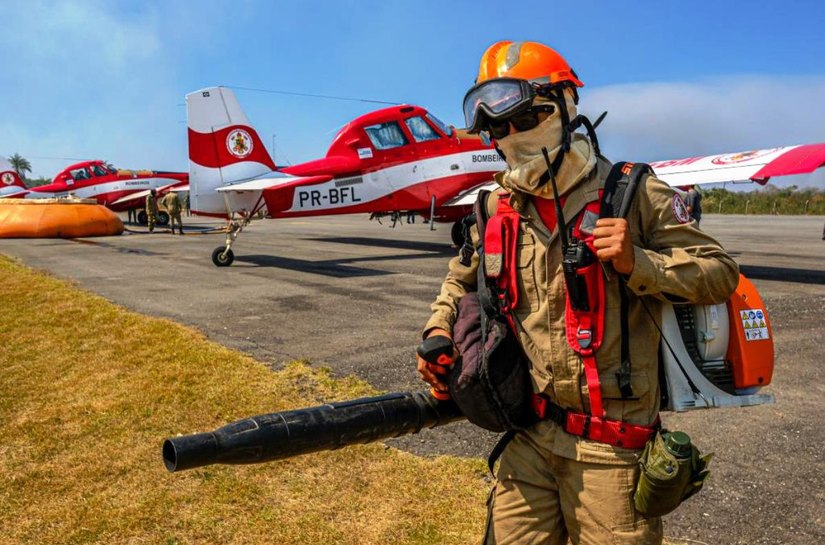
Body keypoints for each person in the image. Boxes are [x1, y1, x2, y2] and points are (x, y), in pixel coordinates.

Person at [416, 41, 739, 545]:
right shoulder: (495, 208)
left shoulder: (632, 192)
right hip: (529, 437)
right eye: (498, 129)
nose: (510, 137)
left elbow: (719, 272)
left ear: (565, 108)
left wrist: (640, 263)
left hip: (613, 452)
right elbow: (459, 279)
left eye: (525, 119)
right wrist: (438, 327)